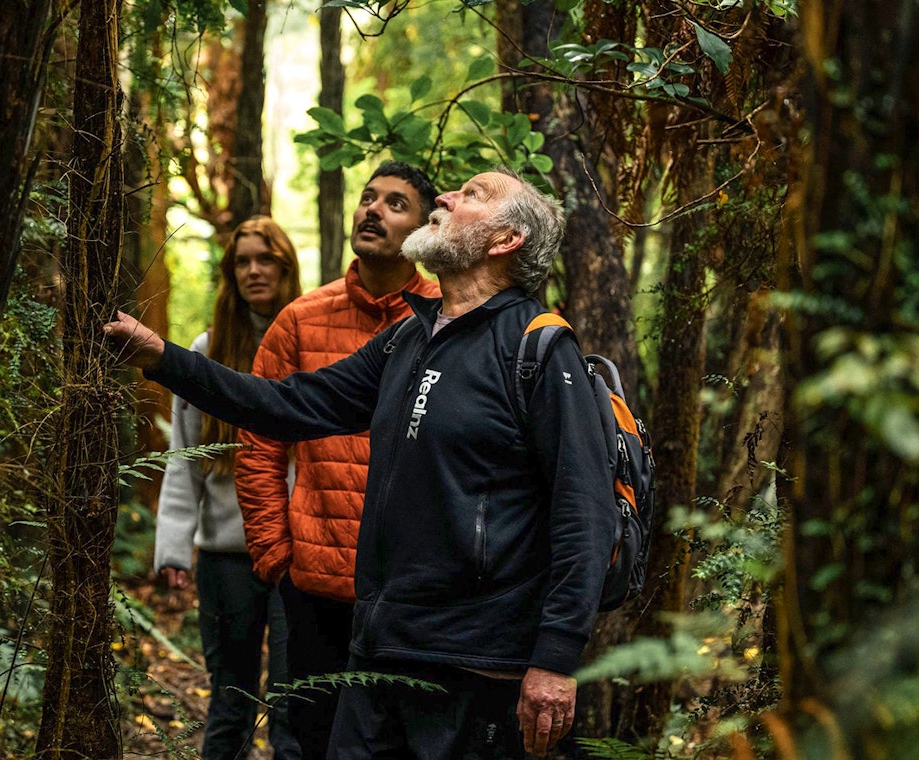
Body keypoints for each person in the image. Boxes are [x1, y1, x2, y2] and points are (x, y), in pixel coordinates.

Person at [106, 168, 616, 759]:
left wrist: (554, 659)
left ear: (505, 242)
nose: (447, 197)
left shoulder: (538, 349)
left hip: (476, 665)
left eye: (472, 195)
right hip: (378, 648)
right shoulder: (406, 339)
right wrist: (163, 358)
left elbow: (585, 512)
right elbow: (287, 404)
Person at [234, 161, 440, 758]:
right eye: (367, 198)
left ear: (426, 229)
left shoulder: (451, 319)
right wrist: (275, 552)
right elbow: (259, 442)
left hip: (411, 591)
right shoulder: (300, 319)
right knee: (315, 740)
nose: (372, 210)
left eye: (395, 203)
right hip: (316, 583)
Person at [153, 216, 303, 760]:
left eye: (266, 259)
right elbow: (185, 460)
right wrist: (173, 546)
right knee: (230, 704)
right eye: (243, 261)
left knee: (295, 704)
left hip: (299, 557)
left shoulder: (312, 341)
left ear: (287, 268)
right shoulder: (207, 348)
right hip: (226, 558)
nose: (254, 271)